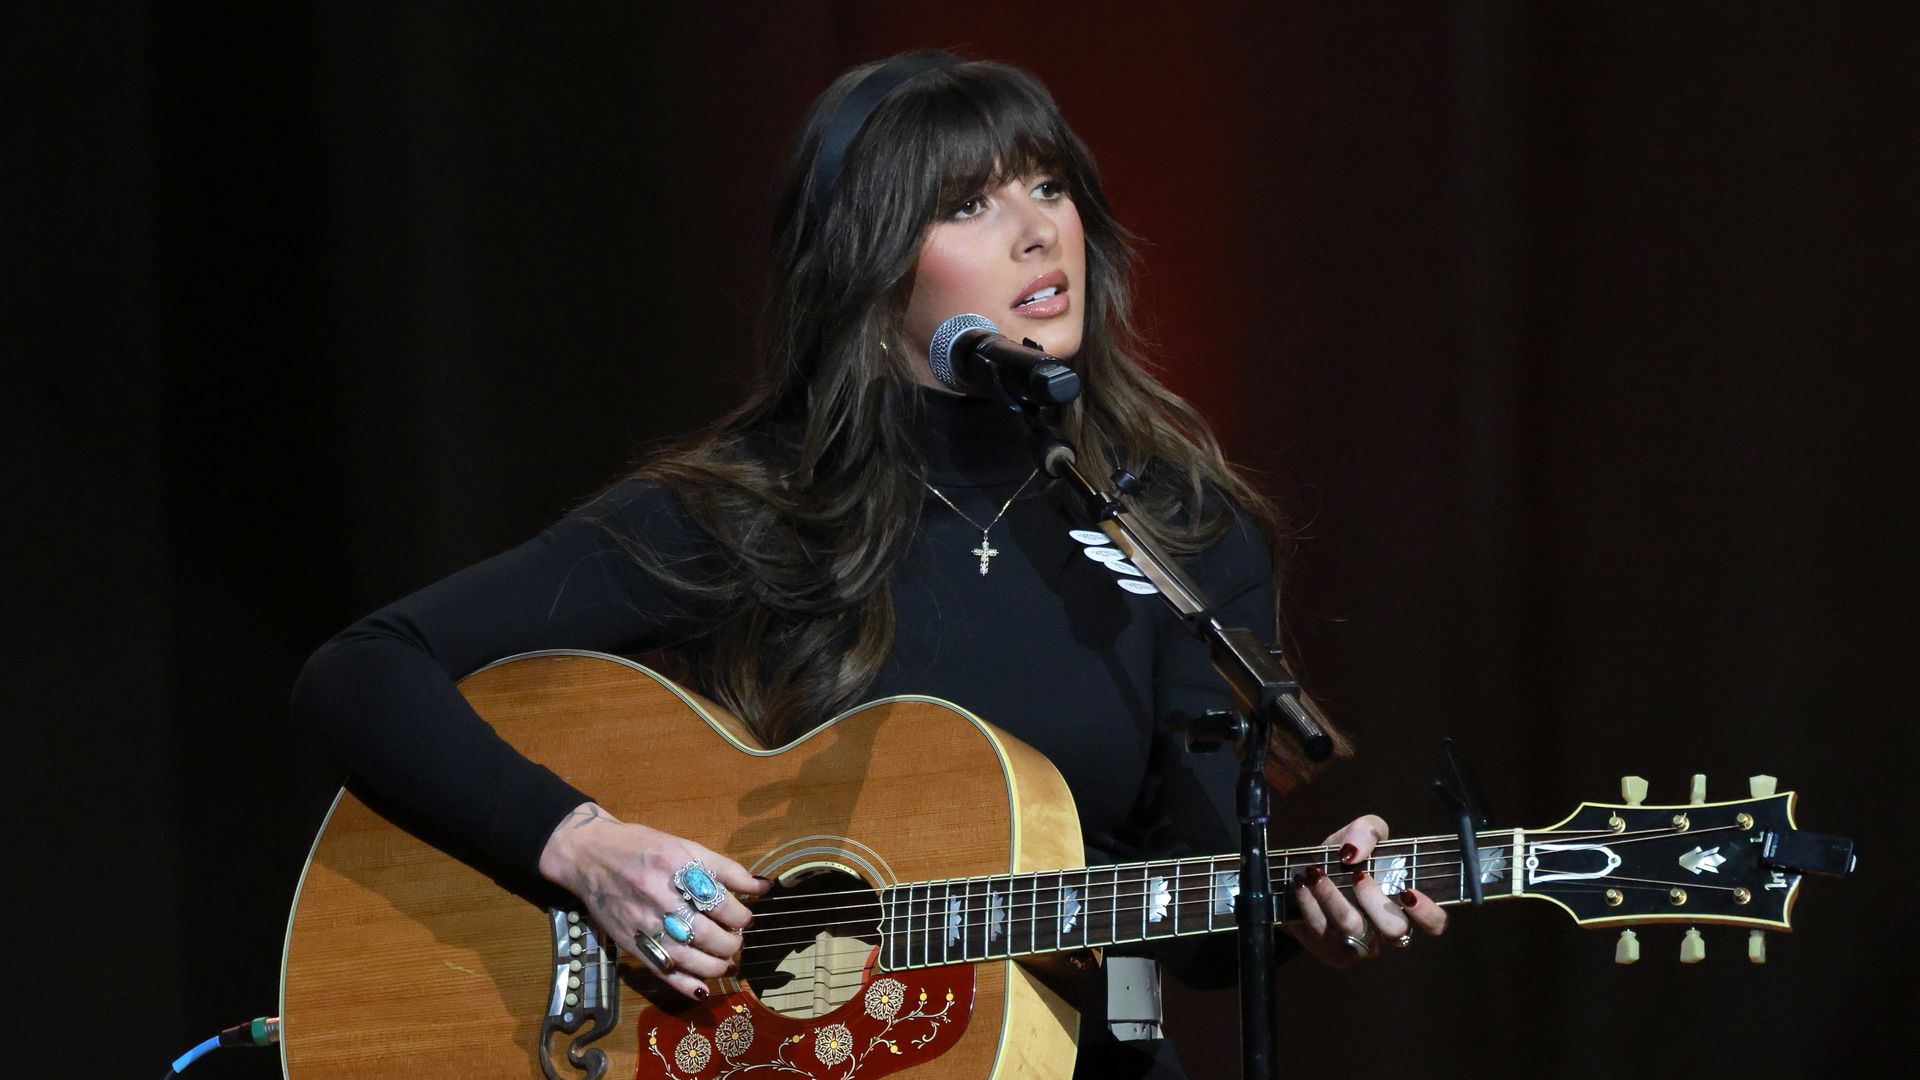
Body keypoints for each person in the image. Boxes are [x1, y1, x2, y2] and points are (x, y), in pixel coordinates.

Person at [292, 51, 1444, 1079]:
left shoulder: (1180, 527)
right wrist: (582, 847)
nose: (1038, 232)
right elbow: (362, 670)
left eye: (1049, 187)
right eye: (968, 204)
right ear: (872, 269)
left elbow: (1189, 923)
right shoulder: (753, 507)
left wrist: (1303, 913)